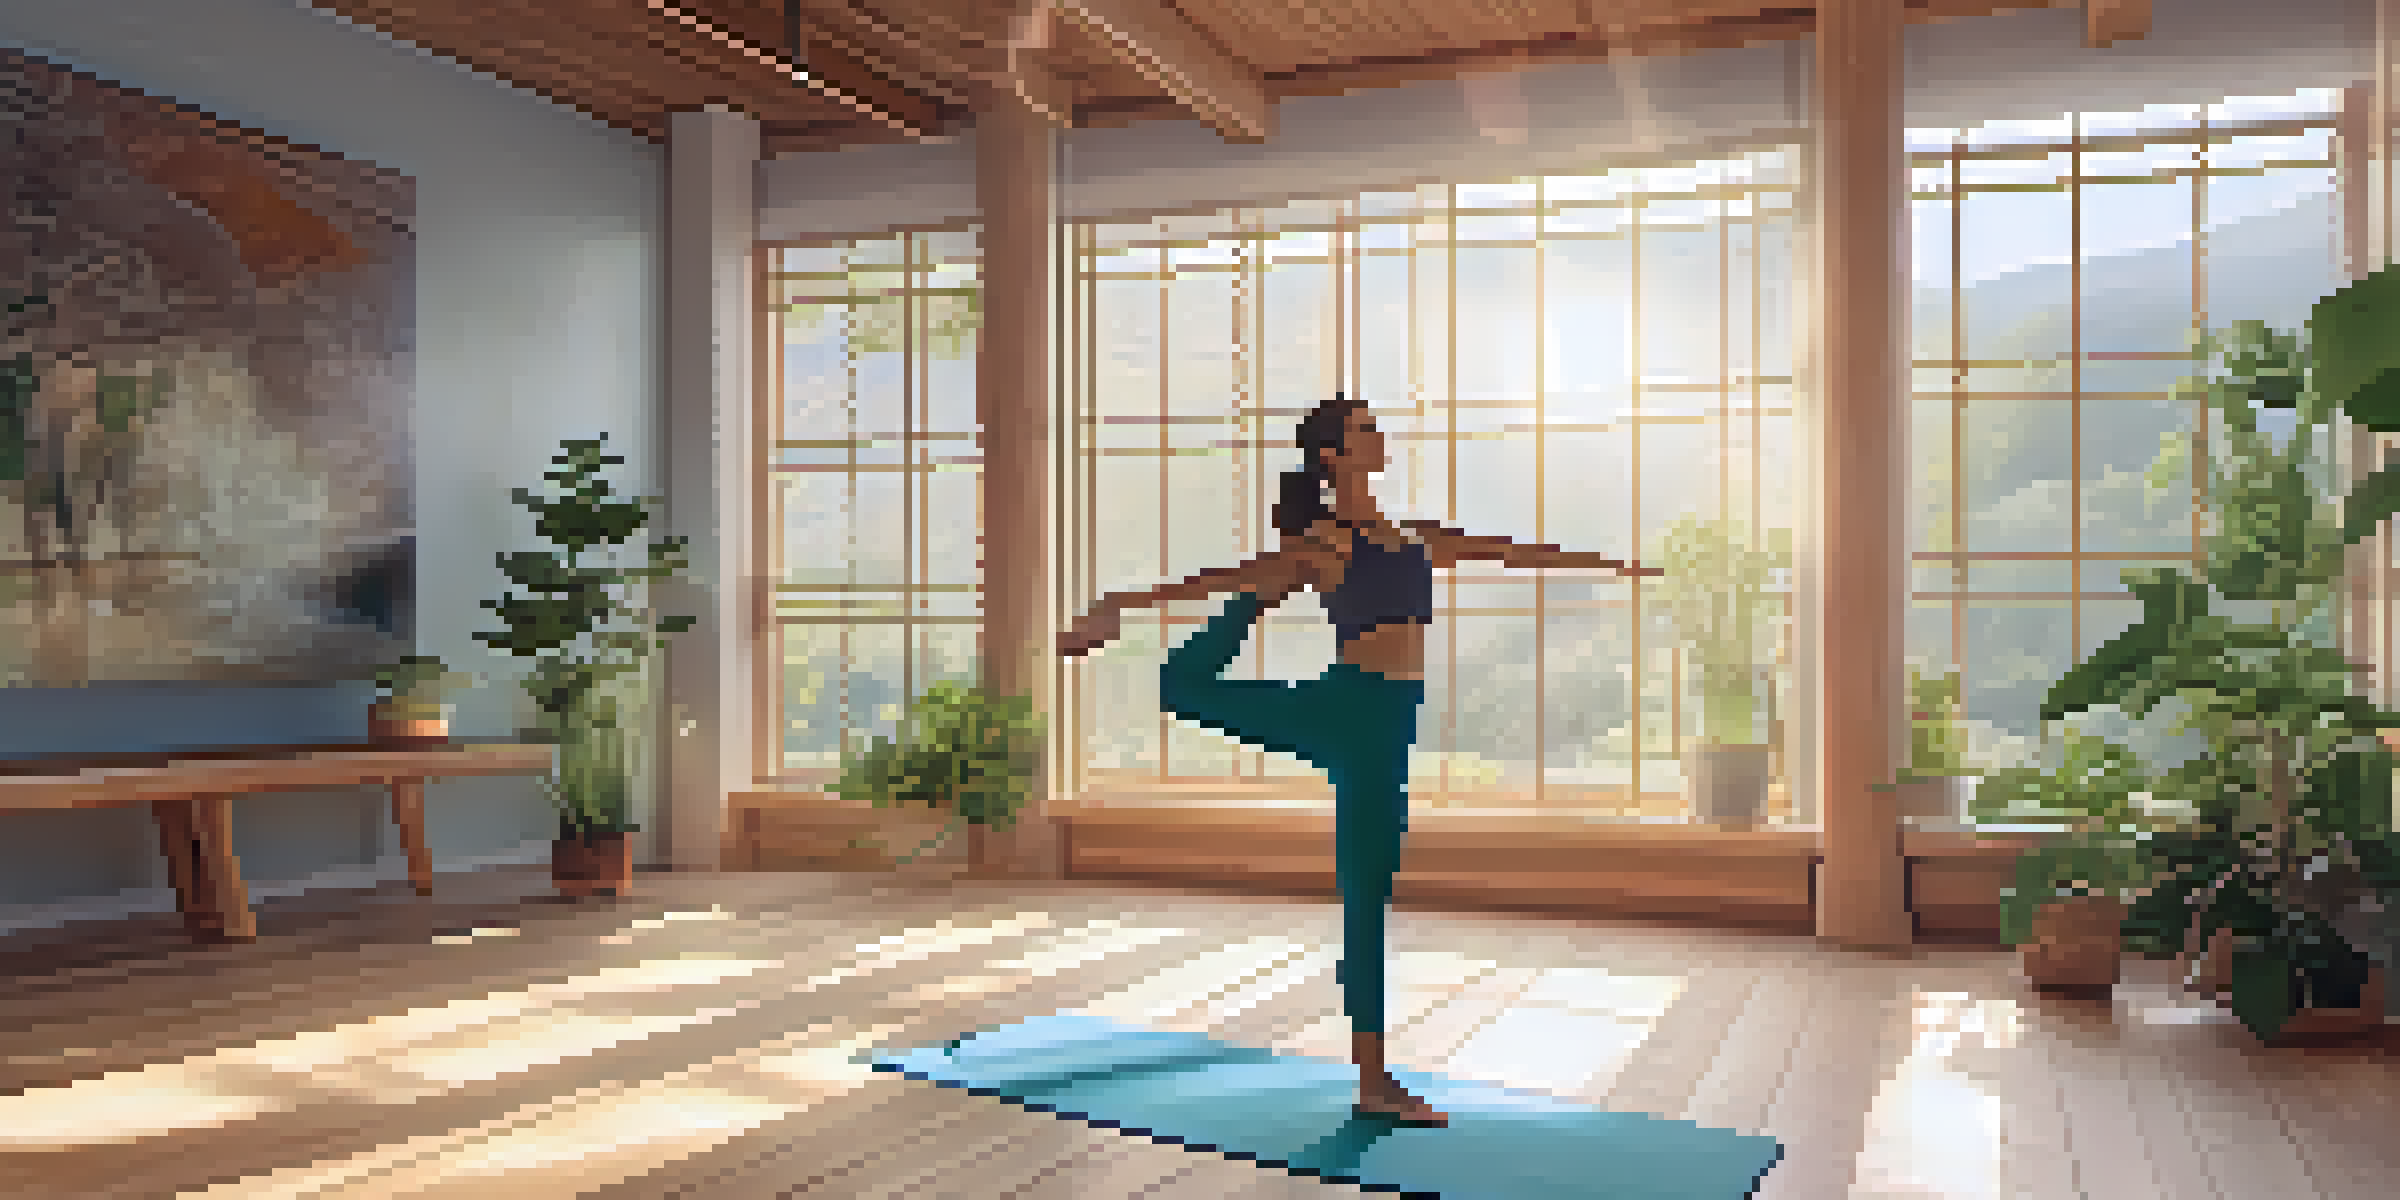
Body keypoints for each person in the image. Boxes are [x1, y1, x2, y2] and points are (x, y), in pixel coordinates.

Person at [1057, 393, 1662, 1126]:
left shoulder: (1415, 535)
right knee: (1190, 679)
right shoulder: (1328, 542)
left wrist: (1616, 565)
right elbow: (1217, 576)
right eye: (1364, 431)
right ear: (1332, 456)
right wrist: (1120, 603)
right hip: (1346, 708)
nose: (1380, 439)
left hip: (1385, 724)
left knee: (1366, 893)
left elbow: (1514, 552)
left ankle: (1373, 1080)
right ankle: (1376, 1082)